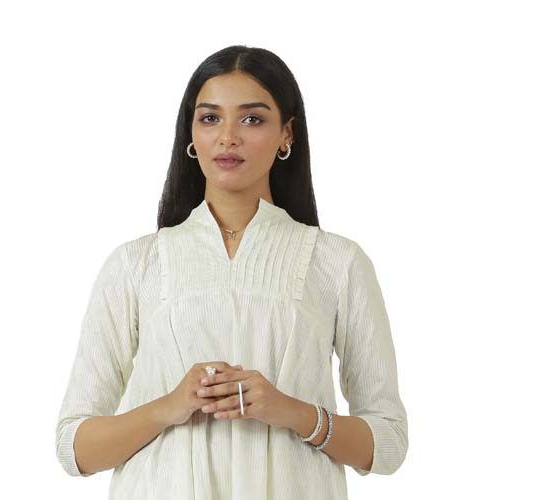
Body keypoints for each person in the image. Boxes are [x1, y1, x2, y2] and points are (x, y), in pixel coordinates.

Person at [55, 44, 408, 499]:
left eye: (252, 119)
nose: (228, 137)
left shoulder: (337, 262)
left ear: (287, 133)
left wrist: (291, 412)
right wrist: (171, 406)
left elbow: (388, 442)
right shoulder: (136, 264)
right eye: (210, 118)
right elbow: (74, 448)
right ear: (191, 132)